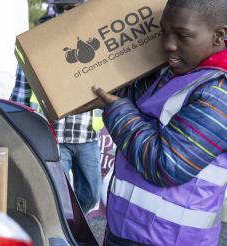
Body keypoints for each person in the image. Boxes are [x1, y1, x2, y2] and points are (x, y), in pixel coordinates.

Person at [90, 0, 226, 245]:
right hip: (127, 231)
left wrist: (117, 110)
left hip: (170, 239)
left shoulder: (219, 94)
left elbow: (165, 165)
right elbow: (131, 102)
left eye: (182, 35)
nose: (168, 44)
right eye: (164, 32)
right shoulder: (172, 73)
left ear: (219, 36)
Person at [11, 0, 102, 214]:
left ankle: (74, 224)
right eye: (63, 8)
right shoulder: (37, 47)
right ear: (55, 10)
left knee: (91, 196)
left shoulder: (95, 41)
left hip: (87, 136)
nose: (68, 14)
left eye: (73, 8)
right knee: (56, 197)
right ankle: (63, 230)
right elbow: (20, 94)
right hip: (54, 135)